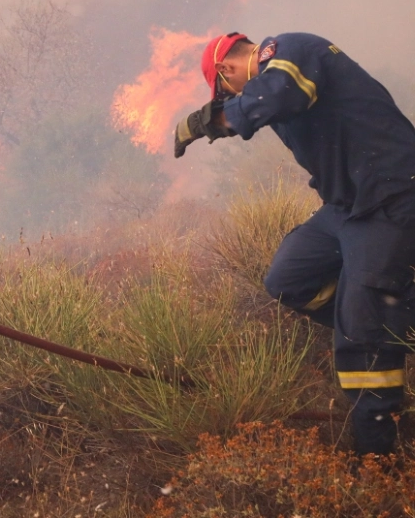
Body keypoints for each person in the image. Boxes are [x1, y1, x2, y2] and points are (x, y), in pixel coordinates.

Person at [175, 31, 415, 455]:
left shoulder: (290, 52)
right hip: (345, 207)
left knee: (360, 335)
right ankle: (397, 319)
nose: (231, 99)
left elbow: (277, 95)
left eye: (226, 92)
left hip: (389, 199)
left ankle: (379, 458)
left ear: (228, 70)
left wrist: (206, 121)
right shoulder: (274, 80)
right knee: (289, 277)